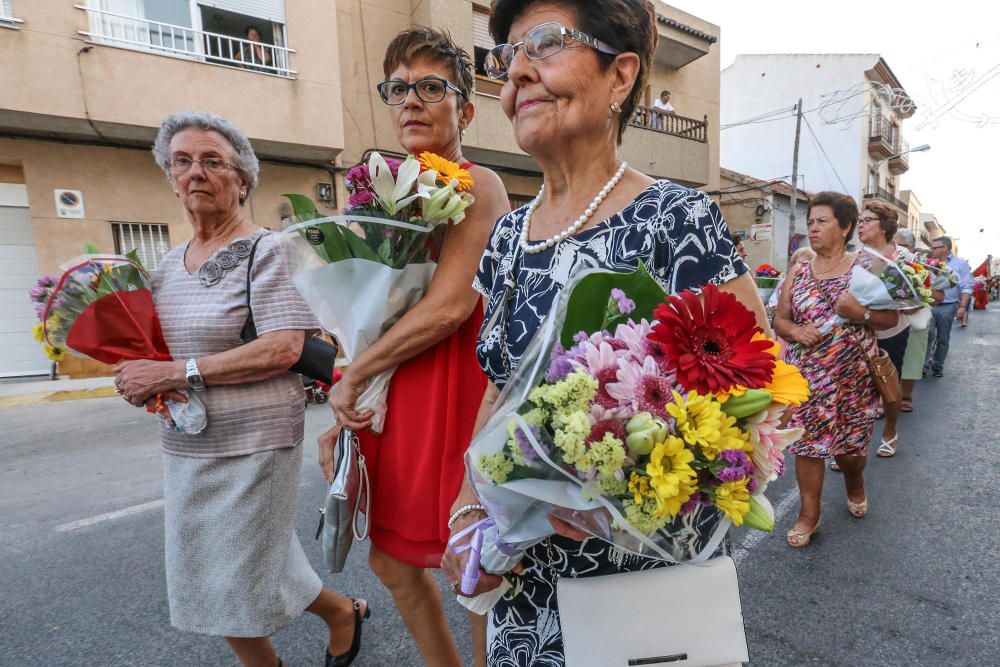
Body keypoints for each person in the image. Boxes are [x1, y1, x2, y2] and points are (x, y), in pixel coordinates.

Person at [440, 1, 765, 662]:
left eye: (545, 44)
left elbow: (758, 398)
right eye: (507, 56)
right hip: (527, 590)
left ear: (620, 77)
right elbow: (499, 390)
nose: (517, 74)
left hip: (642, 595)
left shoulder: (677, 219)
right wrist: (469, 510)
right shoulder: (506, 237)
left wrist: (622, 488)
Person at [114, 110, 368, 667]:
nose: (195, 172)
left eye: (212, 161)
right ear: (169, 176)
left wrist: (177, 374)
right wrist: (140, 377)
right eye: (182, 162)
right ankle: (341, 614)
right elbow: (162, 356)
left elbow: (284, 347)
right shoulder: (166, 268)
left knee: (229, 580)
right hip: (187, 443)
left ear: (243, 179)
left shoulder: (268, 251)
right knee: (246, 563)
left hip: (256, 439)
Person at [318, 28, 509, 667]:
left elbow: (451, 305)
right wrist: (349, 395)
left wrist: (354, 376)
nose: (412, 101)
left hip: (456, 388)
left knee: (477, 562)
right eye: (398, 88)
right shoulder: (384, 191)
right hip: (399, 385)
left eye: (432, 87)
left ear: (466, 108)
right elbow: (371, 307)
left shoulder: (478, 184)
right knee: (393, 561)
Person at [774, 192, 899, 548]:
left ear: (845, 227)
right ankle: (808, 515)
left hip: (854, 378)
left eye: (822, 221)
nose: (813, 227)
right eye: (810, 221)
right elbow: (780, 319)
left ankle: (855, 483)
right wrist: (796, 331)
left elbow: (892, 317)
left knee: (850, 452)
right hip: (808, 378)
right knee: (808, 447)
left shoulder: (868, 266)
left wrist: (860, 313)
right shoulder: (799, 270)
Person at [856, 202, 909, 457]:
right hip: (860, 331)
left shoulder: (906, 258)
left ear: (884, 225)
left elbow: (920, 293)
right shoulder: (855, 258)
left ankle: (890, 430)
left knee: (889, 388)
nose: (861, 225)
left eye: (867, 220)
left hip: (894, 330)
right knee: (857, 389)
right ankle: (851, 446)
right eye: (860, 221)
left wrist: (914, 299)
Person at [894, 228, 936, 413]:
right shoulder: (885, 261)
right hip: (891, 318)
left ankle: (906, 397)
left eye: (902, 245)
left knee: (913, 357)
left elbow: (935, 293)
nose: (899, 249)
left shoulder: (924, 266)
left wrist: (917, 299)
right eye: (894, 244)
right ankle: (885, 399)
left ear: (911, 247)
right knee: (889, 359)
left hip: (915, 317)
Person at [925, 236, 973, 377]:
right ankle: (923, 366)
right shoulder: (928, 262)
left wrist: (962, 307)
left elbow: (966, 286)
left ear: (944, 248)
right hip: (929, 304)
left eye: (934, 248)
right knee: (927, 335)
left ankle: (937, 366)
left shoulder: (960, 264)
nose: (931, 250)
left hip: (949, 306)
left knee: (943, 338)